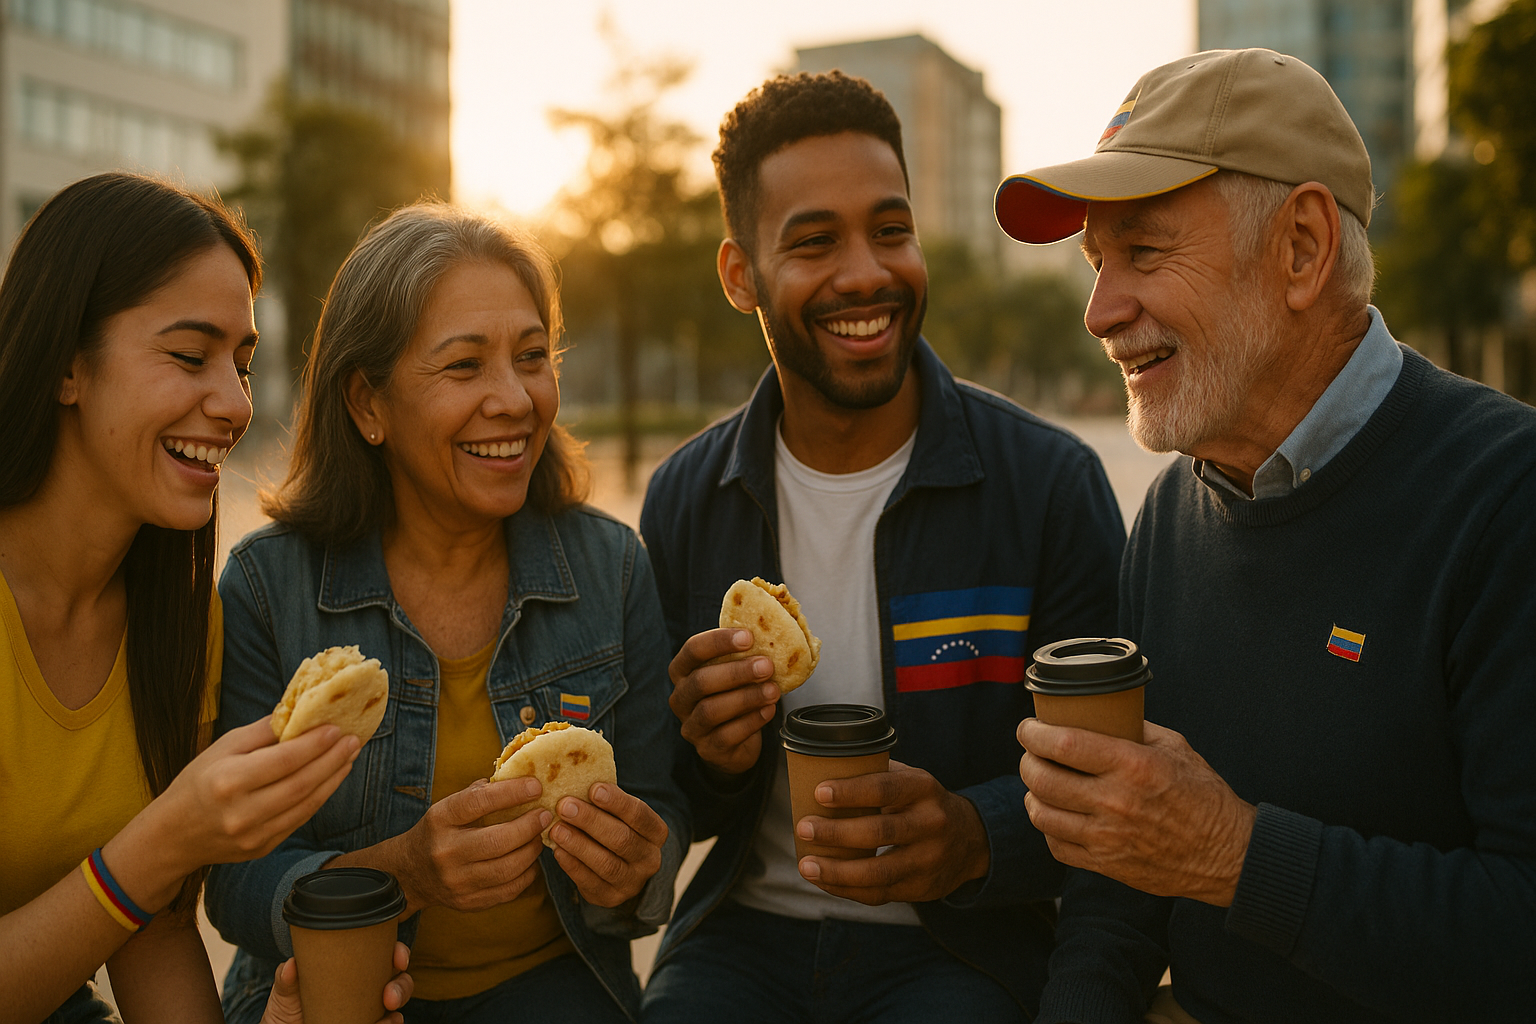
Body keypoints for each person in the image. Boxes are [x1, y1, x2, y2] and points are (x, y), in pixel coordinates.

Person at [997, 48, 1536, 1023]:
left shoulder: (1508, 498)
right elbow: (1121, 887)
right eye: (1096, 264)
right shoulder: (1168, 517)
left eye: (1144, 253)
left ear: (1301, 248)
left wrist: (1230, 853)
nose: (1099, 312)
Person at [638, 72, 1125, 1023]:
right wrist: (712, 754)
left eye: (890, 230)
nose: (866, 273)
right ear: (741, 276)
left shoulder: (1048, 486)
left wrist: (974, 834)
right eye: (814, 242)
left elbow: (1111, 790)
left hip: (961, 948)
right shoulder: (687, 499)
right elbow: (675, 802)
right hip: (743, 941)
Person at [206, 203, 688, 1024]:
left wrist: (638, 867)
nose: (515, 399)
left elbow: (662, 811)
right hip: (344, 998)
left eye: (531, 357)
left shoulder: (612, 568)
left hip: (560, 991)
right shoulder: (265, 588)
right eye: (464, 366)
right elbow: (233, 878)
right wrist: (406, 873)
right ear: (368, 404)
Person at [0, 172, 413, 1023]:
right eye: (191, 357)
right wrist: (164, 840)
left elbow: (150, 933)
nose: (233, 404)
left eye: (243, 364)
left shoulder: (184, 618)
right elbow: (139, 881)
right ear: (67, 364)